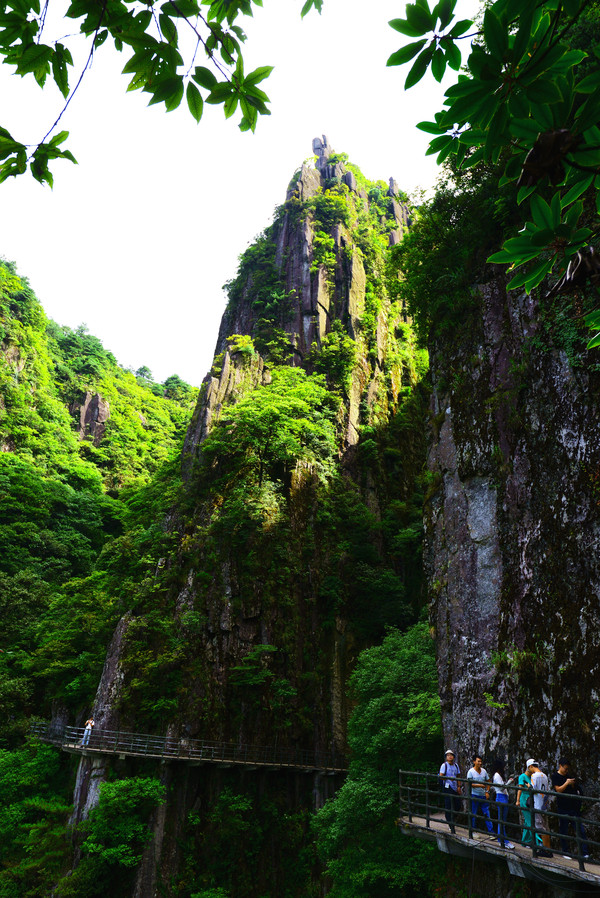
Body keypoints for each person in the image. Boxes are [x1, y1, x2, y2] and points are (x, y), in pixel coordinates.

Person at [551, 758, 590, 859]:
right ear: (560, 766)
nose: (566, 771)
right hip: (563, 807)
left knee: (580, 830)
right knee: (564, 830)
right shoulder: (555, 776)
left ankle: (585, 852)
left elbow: (578, 790)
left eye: (568, 769)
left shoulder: (569, 777)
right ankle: (565, 851)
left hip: (573, 808)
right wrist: (566, 783)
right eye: (565, 768)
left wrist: (572, 785)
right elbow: (558, 790)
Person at [529, 760, 553, 857]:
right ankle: (548, 849)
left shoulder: (534, 776)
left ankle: (545, 850)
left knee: (540, 828)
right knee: (546, 828)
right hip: (544, 804)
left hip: (538, 804)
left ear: (531, 766)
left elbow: (533, 789)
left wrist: (528, 786)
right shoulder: (545, 775)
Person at [466, 755, 494, 836]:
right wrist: (479, 785)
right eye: (478, 761)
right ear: (474, 762)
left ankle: (491, 832)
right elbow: (470, 784)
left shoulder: (484, 771)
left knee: (486, 813)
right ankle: (473, 831)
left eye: (481, 761)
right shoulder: (470, 772)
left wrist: (487, 791)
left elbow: (488, 781)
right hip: (474, 794)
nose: (480, 763)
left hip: (483, 795)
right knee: (473, 813)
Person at [491, 759, 515, 849]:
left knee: (502, 820)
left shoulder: (499, 776)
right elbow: (501, 788)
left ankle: (501, 840)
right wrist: (509, 782)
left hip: (504, 797)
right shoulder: (497, 776)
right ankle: (504, 841)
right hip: (501, 797)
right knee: (502, 821)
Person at [439, 749, 462, 834]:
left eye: (451, 755)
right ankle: (450, 824)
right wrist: (449, 778)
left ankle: (452, 819)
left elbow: (458, 776)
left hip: (455, 787)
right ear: (446, 757)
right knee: (449, 805)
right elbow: (441, 776)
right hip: (447, 787)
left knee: (457, 805)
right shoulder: (444, 765)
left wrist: (459, 786)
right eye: (448, 755)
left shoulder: (456, 765)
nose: (450, 756)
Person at [516, 761, 535, 846]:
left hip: (530, 799)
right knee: (530, 821)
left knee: (527, 822)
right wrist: (518, 800)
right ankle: (537, 842)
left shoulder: (532, 777)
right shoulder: (522, 776)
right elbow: (520, 789)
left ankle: (525, 842)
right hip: (525, 799)